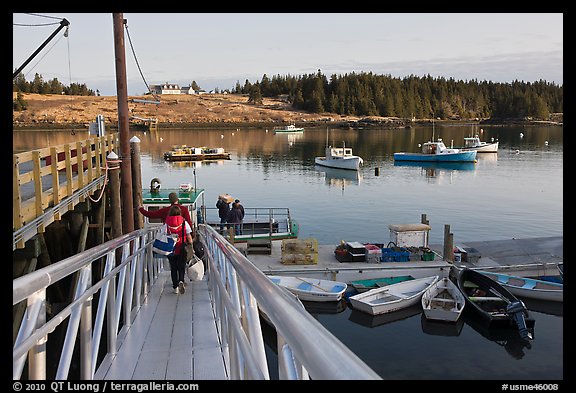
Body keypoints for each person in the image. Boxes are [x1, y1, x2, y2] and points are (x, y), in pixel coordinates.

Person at [165, 205, 193, 294]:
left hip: (170, 248)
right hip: (182, 246)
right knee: (181, 266)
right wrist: (191, 244)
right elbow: (188, 235)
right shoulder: (184, 222)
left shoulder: (166, 223)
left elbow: (163, 234)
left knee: (173, 267)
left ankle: (175, 287)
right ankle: (181, 280)